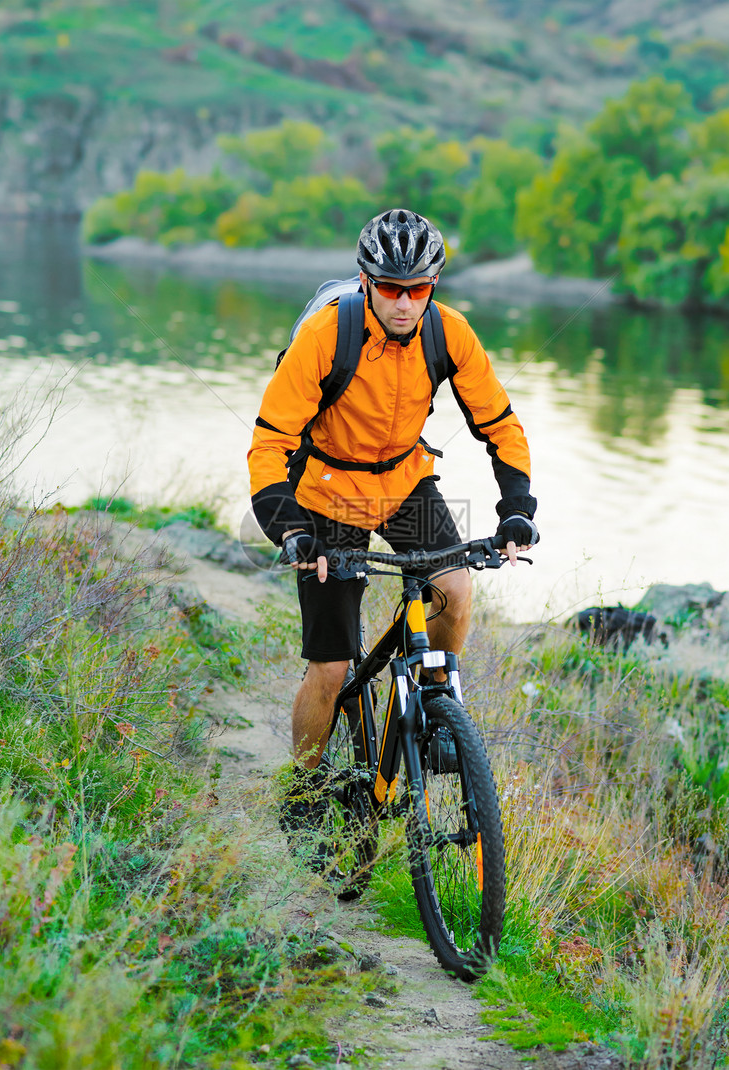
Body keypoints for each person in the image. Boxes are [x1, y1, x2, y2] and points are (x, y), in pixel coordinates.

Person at [247, 208, 537, 826]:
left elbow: (500, 424)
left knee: (456, 590)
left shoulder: (448, 332)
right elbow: (270, 444)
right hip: (326, 493)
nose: (404, 303)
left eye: (418, 289)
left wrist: (517, 509)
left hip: (405, 481)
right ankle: (301, 792)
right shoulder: (327, 335)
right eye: (389, 288)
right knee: (331, 666)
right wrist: (291, 528)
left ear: (432, 286)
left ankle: (435, 706)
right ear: (364, 281)